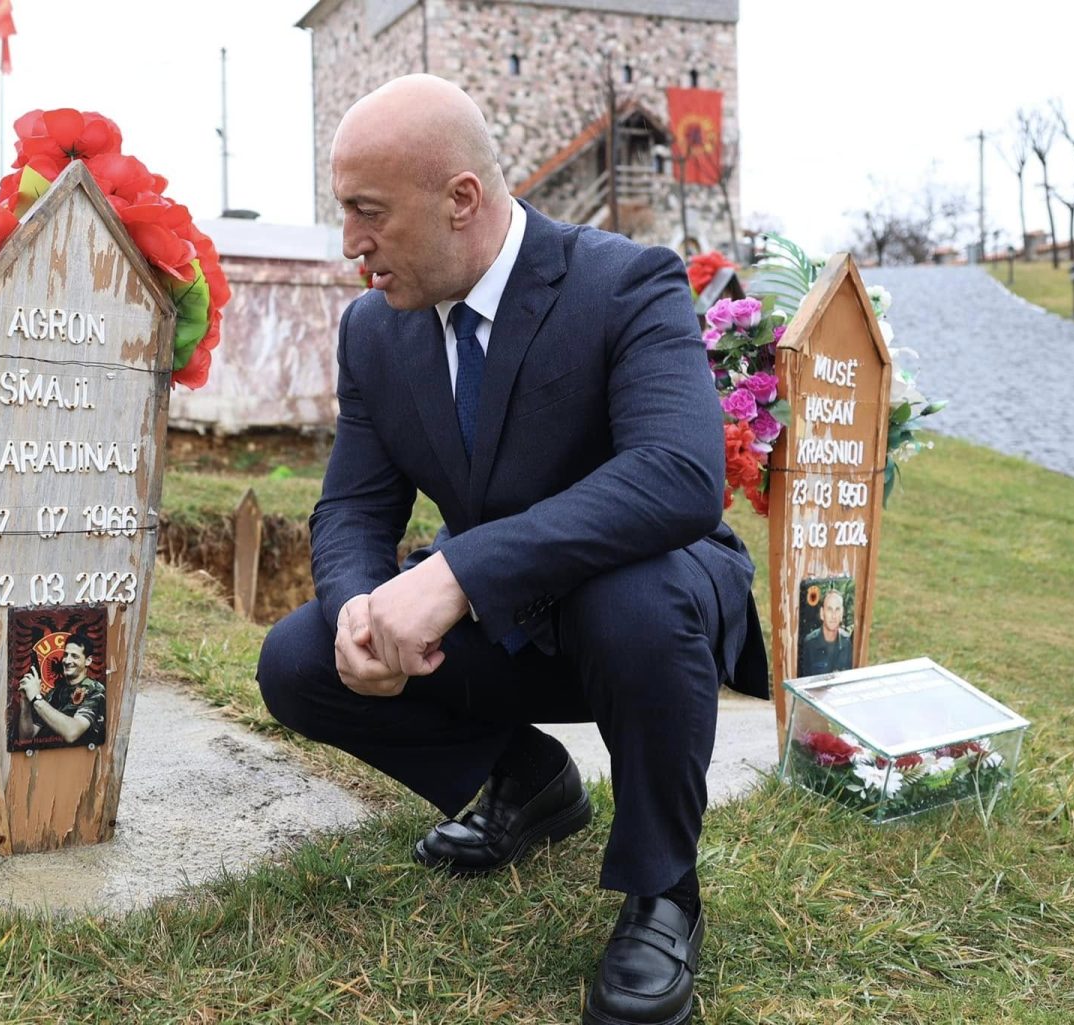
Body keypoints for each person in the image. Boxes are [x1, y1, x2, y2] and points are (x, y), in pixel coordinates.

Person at [255, 74, 766, 1025]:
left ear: (461, 198)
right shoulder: (374, 329)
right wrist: (363, 606)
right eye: (344, 212)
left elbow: (679, 475)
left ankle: (664, 890)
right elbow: (353, 508)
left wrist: (455, 572)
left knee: (630, 600)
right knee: (300, 658)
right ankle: (529, 781)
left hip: (652, 607)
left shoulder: (625, 282)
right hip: (514, 622)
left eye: (369, 212)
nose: (351, 242)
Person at [16, 632, 107, 746]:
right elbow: (26, 738)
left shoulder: (96, 690)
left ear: (88, 661)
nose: (67, 661)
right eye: (66, 655)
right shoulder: (53, 693)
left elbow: (72, 733)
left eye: (74, 656)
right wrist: (25, 702)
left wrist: (36, 699)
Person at [799, 589, 853, 677]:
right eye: (829, 609)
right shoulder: (810, 643)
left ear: (842, 613)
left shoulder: (847, 642)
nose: (833, 616)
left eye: (837, 609)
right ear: (822, 613)